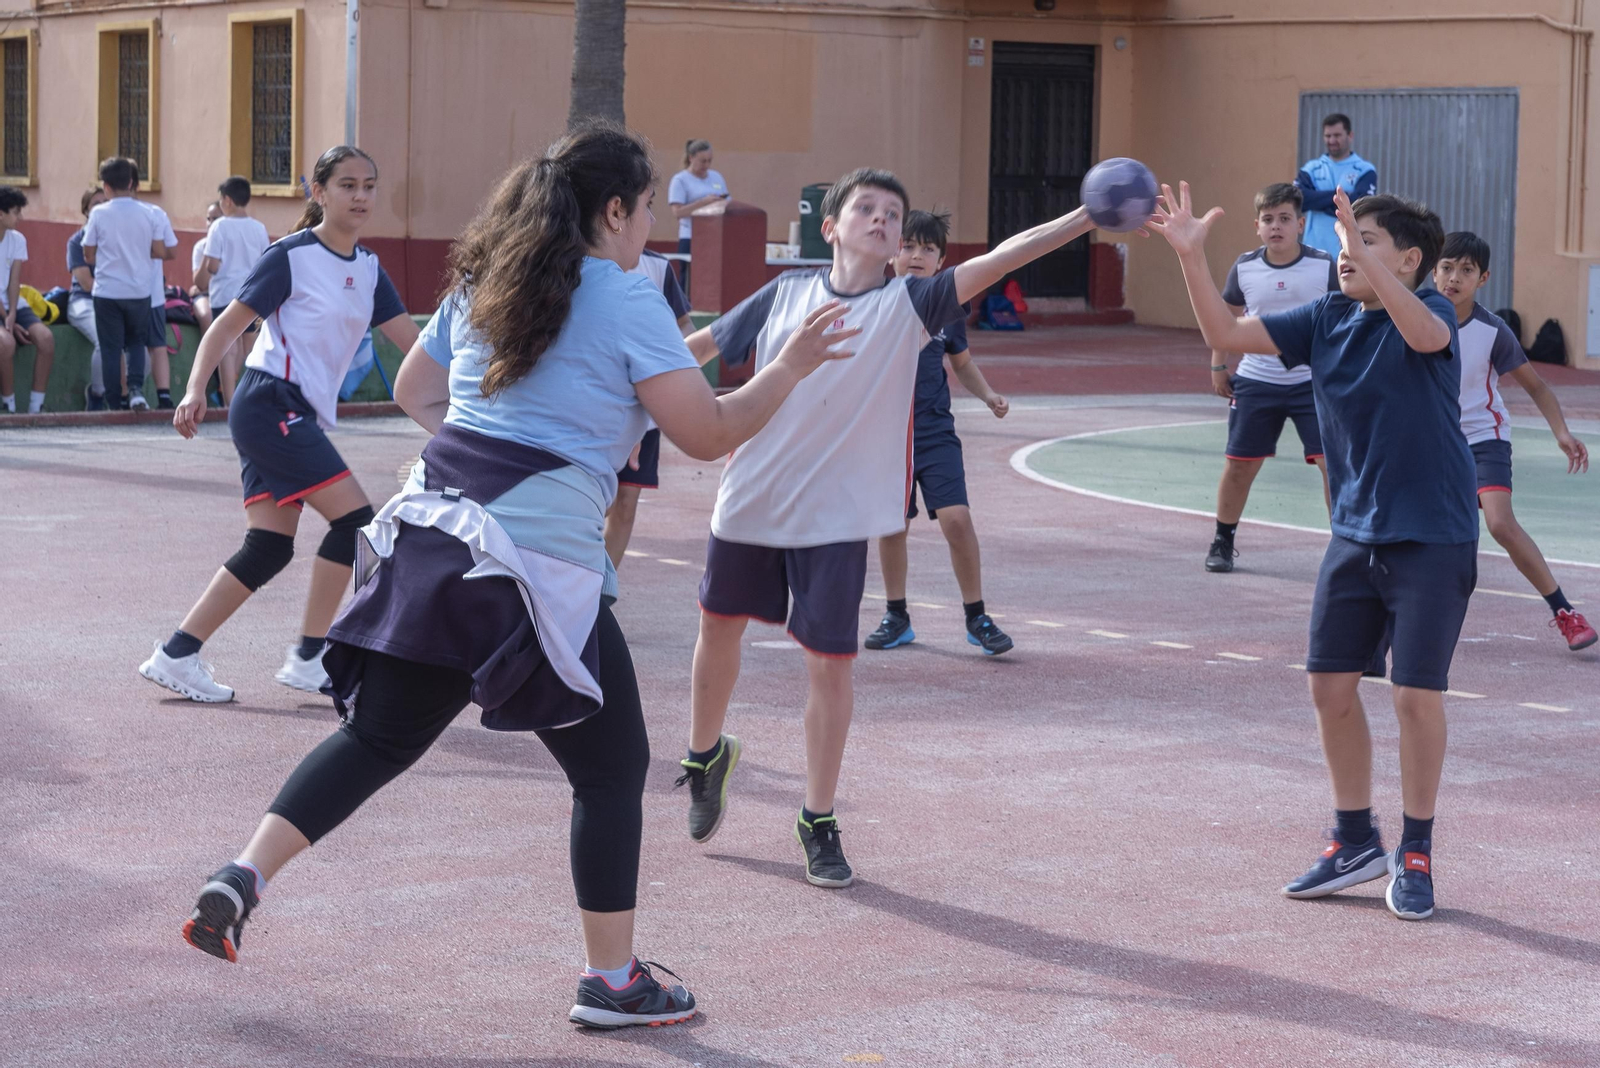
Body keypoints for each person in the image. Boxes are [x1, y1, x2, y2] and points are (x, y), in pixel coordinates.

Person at [176, 123, 855, 1029]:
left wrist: (495, 450)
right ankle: (612, 982)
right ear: (613, 211)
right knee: (612, 771)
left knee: (376, 740)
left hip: (429, 530)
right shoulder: (628, 293)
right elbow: (709, 432)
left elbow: (417, 392)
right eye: (647, 208)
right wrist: (793, 364)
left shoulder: (487, 278)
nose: (650, 225)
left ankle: (242, 874)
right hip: (533, 567)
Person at [676, 167, 1096, 888]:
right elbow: (698, 351)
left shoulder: (913, 303)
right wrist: (626, 393)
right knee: (718, 631)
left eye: (892, 213)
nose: (881, 219)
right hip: (751, 498)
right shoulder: (785, 294)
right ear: (831, 228)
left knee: (829, 665)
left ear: (901, 239)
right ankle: (704, 754)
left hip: (838, 515)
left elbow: (1007, 256)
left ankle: (817, 818)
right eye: (865, 208)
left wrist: (1085, 218)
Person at [1151, 181, 1473, 922]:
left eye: (1366, 241)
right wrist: (1191, 257)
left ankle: (1415, 853)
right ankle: (1354, 840)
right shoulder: (1327, 317)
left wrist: (1365, 256)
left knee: (1414, 696)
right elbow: (1226, 334)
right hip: (1355, 533)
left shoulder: (1429, 311)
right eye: (1345, 241)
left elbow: (1426, 337)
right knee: (1329, 686)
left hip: (1432, 534)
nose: (1346, 253)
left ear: (1410, 259)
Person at [138, 146, 420, 703]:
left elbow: (414, 345)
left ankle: (176, 653)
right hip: (270, 403)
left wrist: (472, 388)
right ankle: (310, 657)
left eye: (368, 185)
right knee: (355, 523)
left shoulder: (368, 270)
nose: (361, 196)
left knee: (269, 545)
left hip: (292, 411)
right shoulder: (290, 256)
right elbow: (226, 327)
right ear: (318, 192)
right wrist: (194, 389)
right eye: (347, 185)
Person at [1434, 231, 1595, 650]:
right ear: (1433, 271)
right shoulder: (1412, 318)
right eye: (1447, 267)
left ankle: (1564, 611)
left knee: (1500, 524)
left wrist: (1561, 432)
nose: (1454, 277)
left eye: (1466, 270)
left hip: (1483, 437)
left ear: (1483, 278)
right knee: (1429, 535)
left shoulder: (1492, 330)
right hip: (1432, 441)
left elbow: (1537, 386)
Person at [864, 208, 1013, 656]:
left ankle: (976, 616)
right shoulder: (873, 300)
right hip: (887, 436)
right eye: (908, 246)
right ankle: (896, 615)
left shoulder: (947, 308)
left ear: (942, 261)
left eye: (928, 249)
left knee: (957, 520)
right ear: (892, 254)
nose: (916, 255)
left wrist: (987, 395)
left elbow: (961, 363)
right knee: (894, 525)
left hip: (934, 432)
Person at [1205, 183, 1338, 573]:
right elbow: (1225, 320)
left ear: (1301, 224)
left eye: (1284, 219)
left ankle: (1344, 547)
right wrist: (1218, 366)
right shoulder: (1245, 267)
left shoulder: (1324, 265)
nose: (1276, 226)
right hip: (1256, 381)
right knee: (1239, 465)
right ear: (1257, 226)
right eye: (1268, 219)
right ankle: (1222, 540)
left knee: (1333, 466)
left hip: (1313, 382)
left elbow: (1345, 319)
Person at [605, 248, 695, 568]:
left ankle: (603, 590)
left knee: (625, 504)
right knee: (592, 504)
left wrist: (684, 356)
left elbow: (684, 324)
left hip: (646, 413)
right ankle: (579, 585)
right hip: (600, 408)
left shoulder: (657, 266)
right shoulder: (582, 256)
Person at [83, 156, 165, 411]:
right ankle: (136, 391)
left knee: (111, 348)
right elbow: (159, 250)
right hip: (139, 290)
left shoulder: (98, 213)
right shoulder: (149, 213)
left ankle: (114, 401)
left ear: (106, 186)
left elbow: (88, 253)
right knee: (137, 343)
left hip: (107, 291)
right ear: (131, 183)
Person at [197, 176, 272, 405]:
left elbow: (213, 265)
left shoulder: (219, 226)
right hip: (253, 294)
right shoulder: (259, 228)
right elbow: (265, 261)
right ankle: (251, 398)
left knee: (227, 348)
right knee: (251, 347)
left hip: (225, 294)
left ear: (227, 200)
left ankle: (229, 401)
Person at [0, 185, 56, 413]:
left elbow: (14, 281)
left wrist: (13, 313)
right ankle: (9, 405)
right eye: (16, 212)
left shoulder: (17, 239)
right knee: (6, 344)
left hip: (11, 304)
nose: (20, 218)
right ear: (1, 214)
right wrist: (9, 322)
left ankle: (36, 407)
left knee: (46, 339)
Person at [1295, 113, 1377, 259]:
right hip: (1313, 253)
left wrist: (1317, 201)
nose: (1332, 140)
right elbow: (1300, 201)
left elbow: (1361, 207)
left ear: (1350, 136)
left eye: (1337, 135)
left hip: (1348, 254)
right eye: (1328, 136)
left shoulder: (1365, 170)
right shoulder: (1311, 169)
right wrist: (1342, 197)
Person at [133, 162, 180, 410]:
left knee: (123, 346)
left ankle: (127, 397)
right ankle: (164, 397)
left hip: (119, 293)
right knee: (157, 344)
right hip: (151, 293)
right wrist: (148, 250)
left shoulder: (104, 214)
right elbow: (170, 251)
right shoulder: (155, 213)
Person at [66, 188, 109, 409]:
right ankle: (96, 394)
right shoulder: (77, 241)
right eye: (95, 204)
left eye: (105, 202)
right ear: (86, 210)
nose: (101, 207)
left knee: (138, 345)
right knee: (104, 339)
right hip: (83, 301)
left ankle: (129, 393)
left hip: (111, 300)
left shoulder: (114, 237)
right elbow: (86, 283)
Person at [667, 139, 728, 292]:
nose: (706, 165)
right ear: (691, 158)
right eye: (702, 161)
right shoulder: (680, 180)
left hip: (714, 236)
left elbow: (727, 201)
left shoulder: (716, 177)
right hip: (690, 236)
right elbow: (678, 212)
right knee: (690, 280)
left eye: (709, 161)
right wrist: (703, 203)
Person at [190, 200, 223, 334]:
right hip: (205, 296)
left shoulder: (233, 244)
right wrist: (210, 247)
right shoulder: (200, 246)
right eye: (208, 219)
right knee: (206, 315)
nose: (210, 223)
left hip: (227, 295)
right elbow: (201, 284)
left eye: (215, 219)